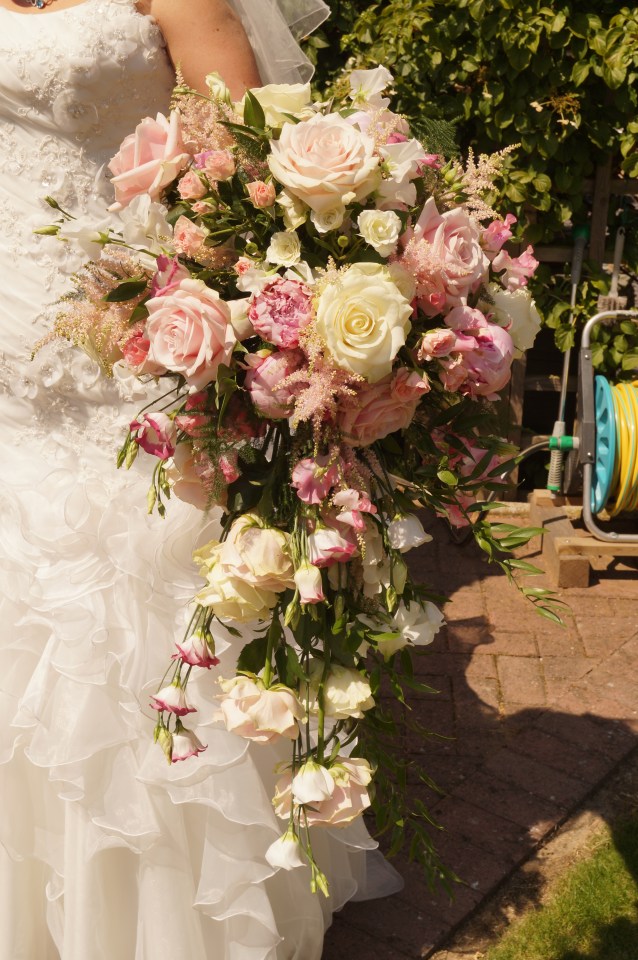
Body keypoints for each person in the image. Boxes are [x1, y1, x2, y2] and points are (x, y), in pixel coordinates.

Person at [0, 1, 401, 957]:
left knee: (124, 599)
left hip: (115, 342)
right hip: (8, 325)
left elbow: (252, 180)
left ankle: (155, 915)